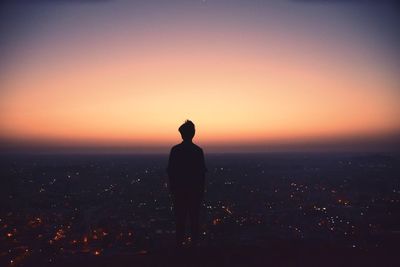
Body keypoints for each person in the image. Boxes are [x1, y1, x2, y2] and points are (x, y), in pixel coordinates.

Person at [167, 120, 207, 247]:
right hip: (194, 192)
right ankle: (194, 247)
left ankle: (179, 248)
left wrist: (173, 189)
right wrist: (200, 191)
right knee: (194, 220)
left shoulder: (176, 150)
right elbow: (201, 174)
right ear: (193, 133)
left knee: (180, 220)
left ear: (182, 134)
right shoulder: (197, 151)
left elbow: (171, 172)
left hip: (179, 192)